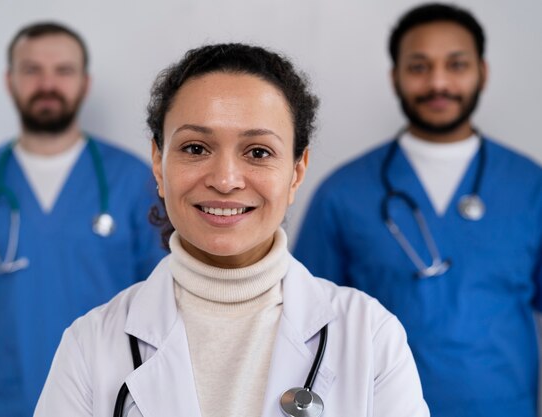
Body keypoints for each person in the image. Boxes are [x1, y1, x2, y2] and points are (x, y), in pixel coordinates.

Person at [34, 43, 429, 417]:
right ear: (158, 162)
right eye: (195, 149)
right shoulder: (89, 346)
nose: (225, 180)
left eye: (258, 152)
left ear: (297, 171)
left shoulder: (370, 336)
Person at [294, 3, 542, 417]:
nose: (438, 82)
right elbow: (305, 321)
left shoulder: (530, 185)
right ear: (395, 77)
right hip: (377, 407)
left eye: (456, 65)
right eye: (419, 66)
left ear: (482, 71)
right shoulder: (344, 192)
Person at [0, 22, 165, 417]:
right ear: (9, 81)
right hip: (0, 402)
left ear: (84, 83)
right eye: (31, 70)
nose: (47, 83)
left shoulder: (134, 181)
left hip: (110, 400)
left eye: (63, 71)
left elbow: (166, 299)